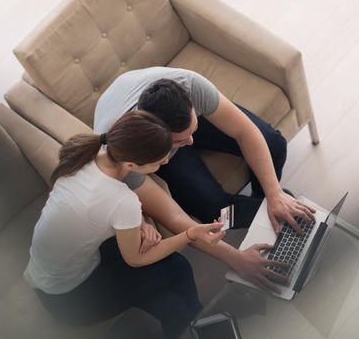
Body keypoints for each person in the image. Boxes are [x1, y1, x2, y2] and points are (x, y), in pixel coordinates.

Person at [94, 66, 315, 293]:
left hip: (158, 109)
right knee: (215, 209)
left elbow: (244, 131)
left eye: (194, 130)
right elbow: (174, 217)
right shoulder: (127, 158)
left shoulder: (189, 85)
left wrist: (274, 193)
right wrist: (236, 258)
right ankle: (268, 212)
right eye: (180, 141)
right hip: (138, 130)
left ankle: (270, 208)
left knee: (274, 145)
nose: (191, 142)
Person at [26, 110, 225, 338]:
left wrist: (139, 223)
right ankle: (200, 326)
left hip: (52, 272)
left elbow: (97, 209)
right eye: (159, 161)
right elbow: (136, 259)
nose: (166, 160)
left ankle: (196, 326)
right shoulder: (121, 200)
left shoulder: (89, 154)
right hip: (69, 299)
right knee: (178, 269)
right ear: (131, 165)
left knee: (171, 303)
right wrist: (191, 234)